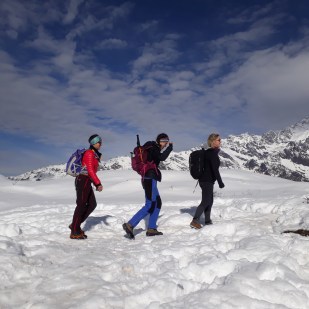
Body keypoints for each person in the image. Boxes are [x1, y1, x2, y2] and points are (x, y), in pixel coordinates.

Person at [123, 133, 173, 238]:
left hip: (151, 178)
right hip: (149, 178)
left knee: (157, 203)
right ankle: (130, 224)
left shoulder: (152, 148)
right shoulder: (153, 148)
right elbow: (162, 157)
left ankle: (151, 228)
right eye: (164, 141)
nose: (165, 144)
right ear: (159, 141)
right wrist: (170, 148)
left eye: (167, 142)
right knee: (150, 204)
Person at [69, 134, 103, 239]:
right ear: (93, 143)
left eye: (100, 142)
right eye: (98, 142)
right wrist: (98, 183)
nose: (100, 144)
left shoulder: (94, 154)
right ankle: (75, 230)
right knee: (81, 205)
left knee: (92, 204)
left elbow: (91, 170)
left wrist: (94, 182)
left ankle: (75, 224)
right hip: (83, 180)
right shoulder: (89, 153)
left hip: (87, 180)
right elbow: (90, 169)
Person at [190, 133, 224, 229]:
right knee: (206, 201)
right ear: (213, 142)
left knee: (210, 201)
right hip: (206, 180)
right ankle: (195, 220)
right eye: (219, 140)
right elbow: (215, 169)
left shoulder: (209, 152)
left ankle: (207, 221)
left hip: (206, 180)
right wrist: (220, 182)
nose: (220, 141)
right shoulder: (212, 153)